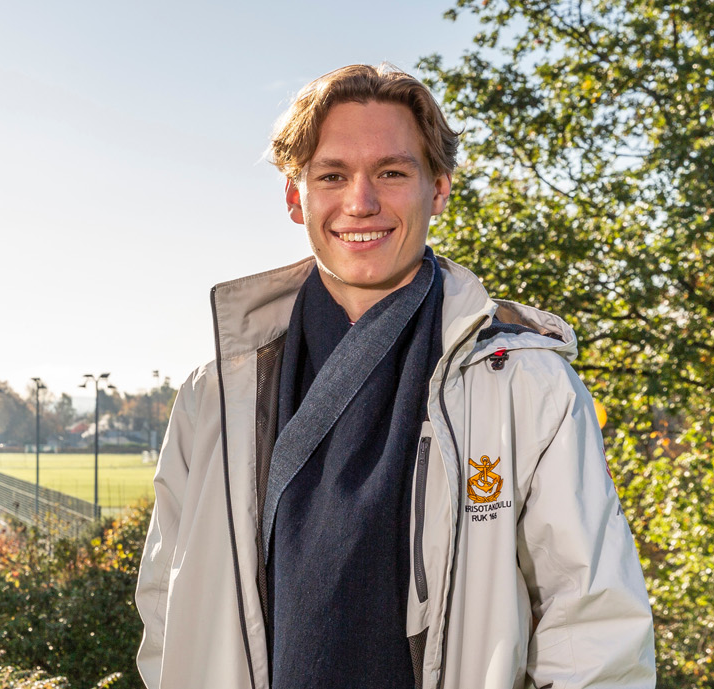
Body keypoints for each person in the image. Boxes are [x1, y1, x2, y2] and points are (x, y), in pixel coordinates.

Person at [133, 64, 654, 689]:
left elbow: (591, 623)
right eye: (332, 175)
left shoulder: (522, 384)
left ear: (438, 189)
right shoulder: (216, 395)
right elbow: (168, 603)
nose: (362, 202)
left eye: (391, 172)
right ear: (297, 198)